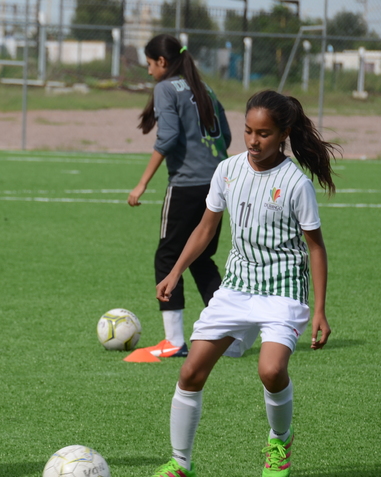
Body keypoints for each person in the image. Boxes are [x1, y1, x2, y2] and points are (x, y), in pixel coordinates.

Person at [150, 90, 337, 477]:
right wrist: (175, 271)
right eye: (249, 131)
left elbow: (315, 248)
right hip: (236, 286)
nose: (253, 141)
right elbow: (206, 228)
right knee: (190, 373)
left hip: (282, 289)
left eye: (264, 134)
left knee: (270, 371)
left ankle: (279, 440)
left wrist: (319, 309)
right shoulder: (228, 169)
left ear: (283, 133)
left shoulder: (295, 183)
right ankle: (180, 463)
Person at [127, 34, 231, 358]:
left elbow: (168, 136)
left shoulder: (165, 88)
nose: (148, 72)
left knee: (168, 257)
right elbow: (225, 136)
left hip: (186, 185)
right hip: (217, 183)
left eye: (149, 64)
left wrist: (142, 182)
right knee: (201, 258)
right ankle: (230, 338)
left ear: (162, 62)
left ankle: (173, 341)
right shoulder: (206, 89)